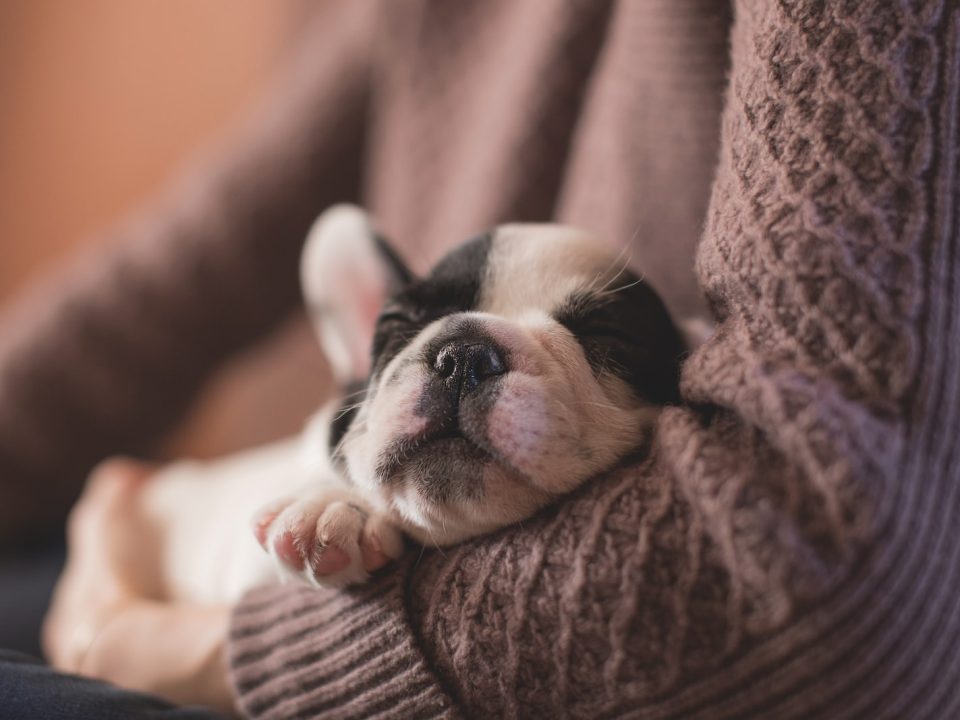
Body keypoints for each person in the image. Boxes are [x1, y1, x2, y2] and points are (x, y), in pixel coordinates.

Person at [2, 0, 959, 717]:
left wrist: (165, 648)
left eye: (597, 343)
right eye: (423, 329)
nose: (465, 363)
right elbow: (177, 273)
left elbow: (829, 577)